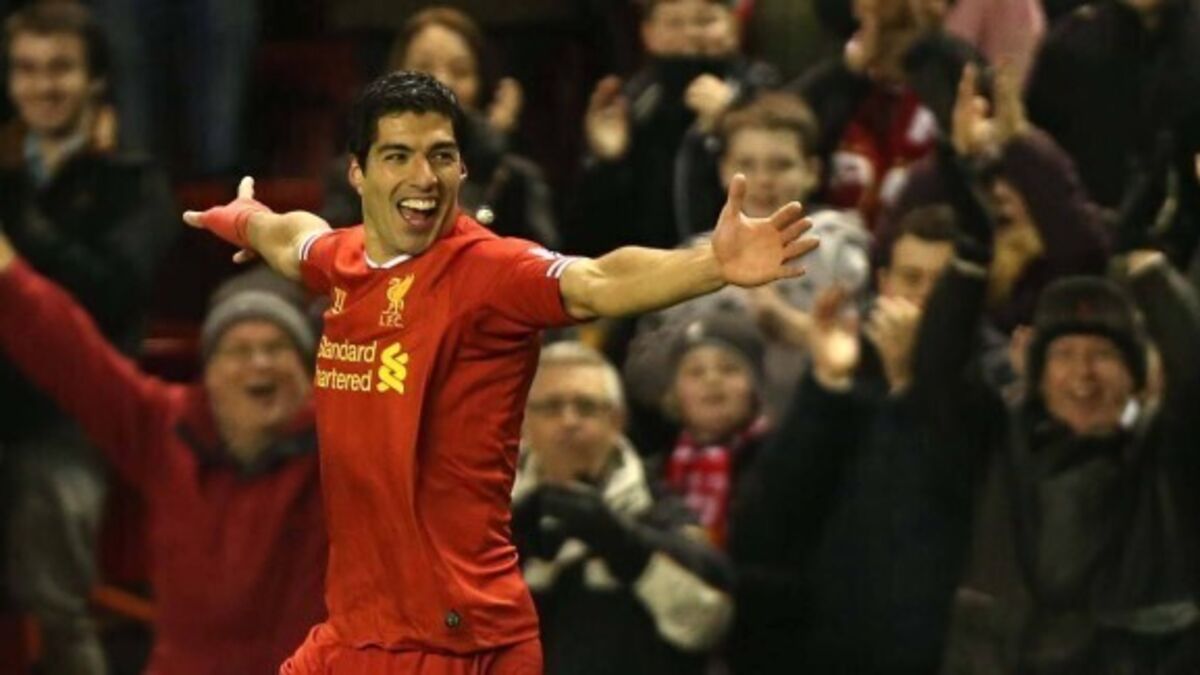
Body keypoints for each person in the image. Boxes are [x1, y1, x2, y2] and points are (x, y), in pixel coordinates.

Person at [183, 70, 817, 674]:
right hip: (355, 632)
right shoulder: (342, 260)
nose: (424, 177)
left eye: (441, 155)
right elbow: (291, 237)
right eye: (398, 156)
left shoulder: (493, 275)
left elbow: (598, 281)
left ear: (462, 167)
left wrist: (711, 266)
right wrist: (240, 219)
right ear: (358, 172)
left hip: (459, 644)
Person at [0, 238, 327, 675]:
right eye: (238, 350)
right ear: (209, 373)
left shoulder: (339, 449)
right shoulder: (165, 428)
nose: (260, 364)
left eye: (278, 348)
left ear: (308, 372)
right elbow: (69, 352)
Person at [0, 3, 175, 673]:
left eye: (60, 69)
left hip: (78, 416)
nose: (43, 85)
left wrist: (20, 231)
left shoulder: (134, 181)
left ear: (94, 79)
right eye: (27, 70)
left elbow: (111, 292)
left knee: (53, 558)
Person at [512, 341, 733, 675]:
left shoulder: (659, 508)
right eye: (551, 407)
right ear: (524, 423)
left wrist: (624, 544)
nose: (569, 420)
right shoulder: (487, 510)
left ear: (617, 420)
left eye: (586, 407)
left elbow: (709, 623)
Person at [320, 6, 560, 247]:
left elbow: (542, 260)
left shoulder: (518, 180)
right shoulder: (357, 174)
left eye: (460, 71)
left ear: (483, 83)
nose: (442, 82)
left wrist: (487, 154)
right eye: (423, 68)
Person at [570, 0, 780, 256]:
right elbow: (590, 233)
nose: (690, 33)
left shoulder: (766, 92)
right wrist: (607, 163)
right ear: (647, 33)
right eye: (674, 23)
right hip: (653, 267)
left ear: (734, 26)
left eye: (705, 21)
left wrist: (731, 123)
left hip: (743, 260)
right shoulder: (632, 102)